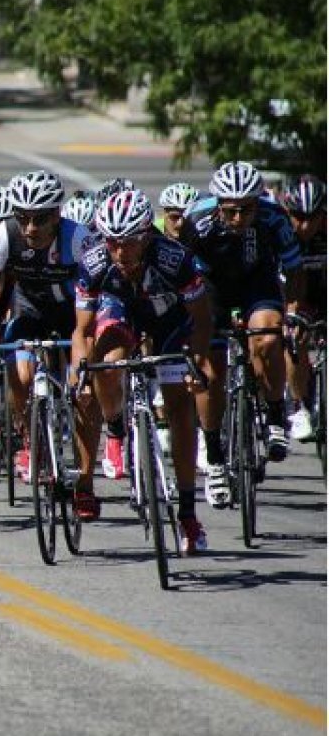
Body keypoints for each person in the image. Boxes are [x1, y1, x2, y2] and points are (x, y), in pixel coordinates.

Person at [71, 190, 216, 555]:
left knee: (181, 408)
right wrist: (79, 367)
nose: (120, 252)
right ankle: (115, 423)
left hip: (171, 323)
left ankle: (186, 512)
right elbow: (82, 330)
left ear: (146, 236)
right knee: (107, 356)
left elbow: (201, 319)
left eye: (130, 243)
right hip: (123, 313)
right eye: (113, 243)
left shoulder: (175, 259)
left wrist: (196, 362)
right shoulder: (95, 262)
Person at [181, 161, 303, 489]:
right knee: (211, 371)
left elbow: (293, 269)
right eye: (231, 211)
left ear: (257, 203)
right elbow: (181, 276)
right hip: (212, 286)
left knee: (266, 337)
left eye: (247, 210)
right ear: (218, 204)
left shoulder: (274, 217)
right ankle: (215, 457)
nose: (238, 219)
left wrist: (291, 312)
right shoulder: (196, 220)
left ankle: (276, 414)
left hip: (256, 282)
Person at [0, 171, 94, 486]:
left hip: (72, 313)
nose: (29, 228)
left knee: (81, 390)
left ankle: (84, 474)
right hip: (29, 309)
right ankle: (32, 439)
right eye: (22, 218)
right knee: (21, 377)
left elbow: (101, 295)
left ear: (56, 214)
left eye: (39, 220)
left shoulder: (78, 239)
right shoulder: (3, 235)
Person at [282, 176, 326, 442]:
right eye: (298, 216)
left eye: (315, 217)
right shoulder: (280, 233)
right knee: (293, 339)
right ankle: (299, 404)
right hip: (294, 295)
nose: (306, 225)